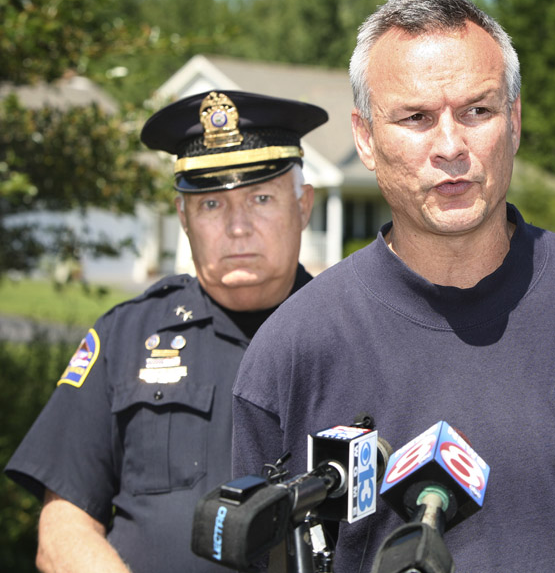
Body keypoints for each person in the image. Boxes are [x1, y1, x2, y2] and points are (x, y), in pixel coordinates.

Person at [231, 0, 555, 572]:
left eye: (477, 111)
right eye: (416, 118)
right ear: (365, 137)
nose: (451, 146)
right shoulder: (293, 350)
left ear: (516, 121)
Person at [5, 90, 327, 572]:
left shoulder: (351, 334)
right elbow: (63, 528)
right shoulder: (127, 336)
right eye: (211, 205)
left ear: (303, 205)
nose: (238, 227)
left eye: (261, 198)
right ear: (183, 218)